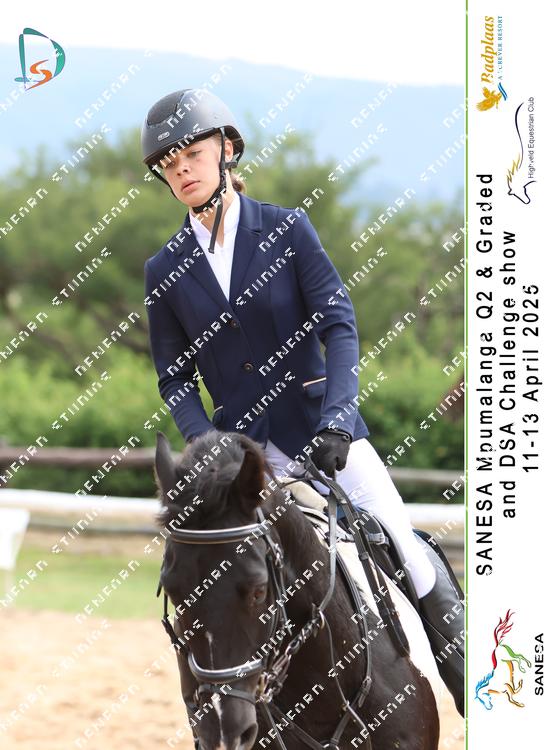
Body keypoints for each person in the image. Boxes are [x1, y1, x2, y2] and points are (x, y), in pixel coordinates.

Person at [141, 88, 464, 717]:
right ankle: (229, 716)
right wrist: (208, 445)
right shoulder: (165, 269)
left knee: (408, 553)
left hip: (325, 434)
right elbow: (175, 378)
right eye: (168, 165)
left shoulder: (287, 230)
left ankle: (478, 693)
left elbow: (338, 326)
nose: (181, 171)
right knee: (217, 581)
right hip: (246, 458)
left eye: (192, 156)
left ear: (226, 151)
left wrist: (339, 417)